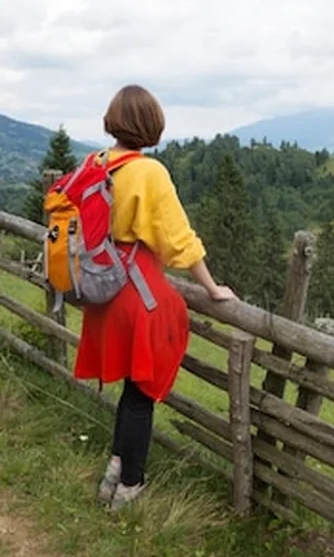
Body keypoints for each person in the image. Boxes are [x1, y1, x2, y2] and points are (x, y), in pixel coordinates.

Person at [74, 84, 235, 511]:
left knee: (130, 388)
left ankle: (115, 468)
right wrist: (212, 287)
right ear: (150, 125)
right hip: (136, 291)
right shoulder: (149, 172)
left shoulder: (95, 162)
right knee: (142, 390)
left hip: (103, 290)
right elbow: (178, 240)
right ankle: (130, 485)